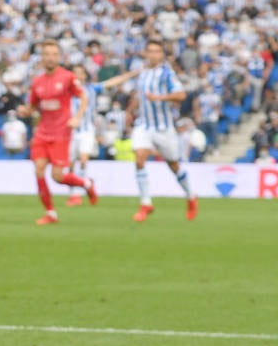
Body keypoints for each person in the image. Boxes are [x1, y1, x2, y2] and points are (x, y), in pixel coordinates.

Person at [102, 38, 198, 222]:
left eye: (157, 51)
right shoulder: (143, 73)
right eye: (150, 51)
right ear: (145, 53)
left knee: (174, 166)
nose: (153, 54)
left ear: (162, 55)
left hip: (163, 128)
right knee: (139, 158)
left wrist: (160, 98)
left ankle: (190, 196)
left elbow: (181, 94)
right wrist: (130, 111)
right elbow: (142, 97)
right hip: (144, 125)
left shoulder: (166, 74)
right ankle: (146, 203)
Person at [18, 39, 96, 226]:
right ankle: (50, 213)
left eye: (54, 54)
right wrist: (25, 111)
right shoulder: (37, 82)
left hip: (61, 133)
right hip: (42, 133)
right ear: (42, 57)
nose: (50, 58)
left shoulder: (68, 78)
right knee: (38, 169)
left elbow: (83, 97)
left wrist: (77, 117)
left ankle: (86, 184)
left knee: (58, 177)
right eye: (47, 54)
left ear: (59, 57)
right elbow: (34, 107)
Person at [65, 64, 101, 207]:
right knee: (70, 165)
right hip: (70, 132)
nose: (78, 76)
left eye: (81, 73)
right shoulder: (66, 91)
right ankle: (82, 186)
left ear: (85, 75)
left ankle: (76, 195)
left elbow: (112, 82)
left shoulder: (91, 89)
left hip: (86, 130)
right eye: (75, 73)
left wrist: (132, 73)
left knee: (83, 159)